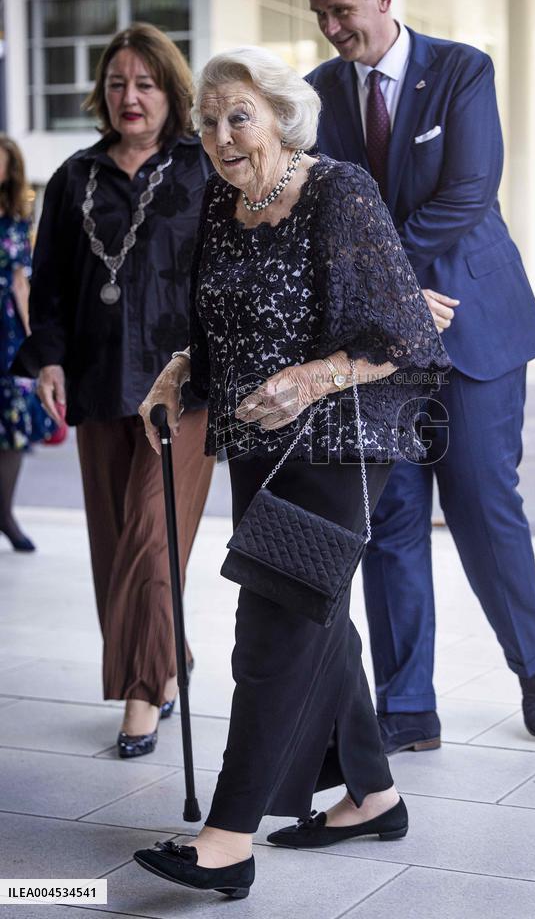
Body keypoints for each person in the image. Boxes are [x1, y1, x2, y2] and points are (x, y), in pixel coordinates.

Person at [132, 46, 449, 898]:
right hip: (260, 439)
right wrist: (179, 375)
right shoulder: (220, 204)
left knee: (271, 625)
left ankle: (228, 839)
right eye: (206, 121)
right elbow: (221, 325)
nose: (222, 134)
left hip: (342, 439)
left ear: (280, 115)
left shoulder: (339, 192)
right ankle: (374, 794)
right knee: (315, 617)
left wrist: (308, 380)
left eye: (239, 114)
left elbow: (406, 337)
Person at [297, 0, 535, 754]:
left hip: (476, 328)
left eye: (342, 11)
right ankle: (408, 707)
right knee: (393, 519)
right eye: (321, 16)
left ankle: (534, 665)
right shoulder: (317, 95)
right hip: (382, 347)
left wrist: (388, 270)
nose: (333, 29)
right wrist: (391, 291)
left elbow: (469, 192)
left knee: (486, 510)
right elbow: (327, 218)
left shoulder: (460, 70)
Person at [13, 23, 215, 757]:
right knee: (113, 545)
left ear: (172, 90)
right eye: (118, 83)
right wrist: (49, 360)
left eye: (147, 83)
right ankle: (168, 658)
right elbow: (54, 283)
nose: (130, 97)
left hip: (186, 388)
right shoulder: (73, 176)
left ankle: (141, 691)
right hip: (99, 382)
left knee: (153, 544)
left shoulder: (204, 167)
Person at [0, 135, 53, 552]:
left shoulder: (18, 216)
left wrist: (36, 336)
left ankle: (5, 514)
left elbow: (21, 280)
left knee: (14, 425)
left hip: (8, 332)